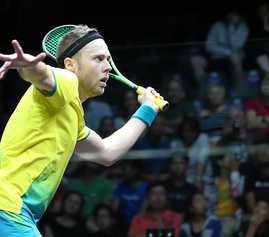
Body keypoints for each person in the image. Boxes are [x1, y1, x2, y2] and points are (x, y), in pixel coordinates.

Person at [0, 24, 162, 236]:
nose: (107, 67)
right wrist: (26, 66)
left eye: (108, 59)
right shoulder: (66, 80)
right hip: (7, 209)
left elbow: (106, 152)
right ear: (70, 64)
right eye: (98, 59)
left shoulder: (71, 114)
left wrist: (148, 109)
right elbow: (42, 76)